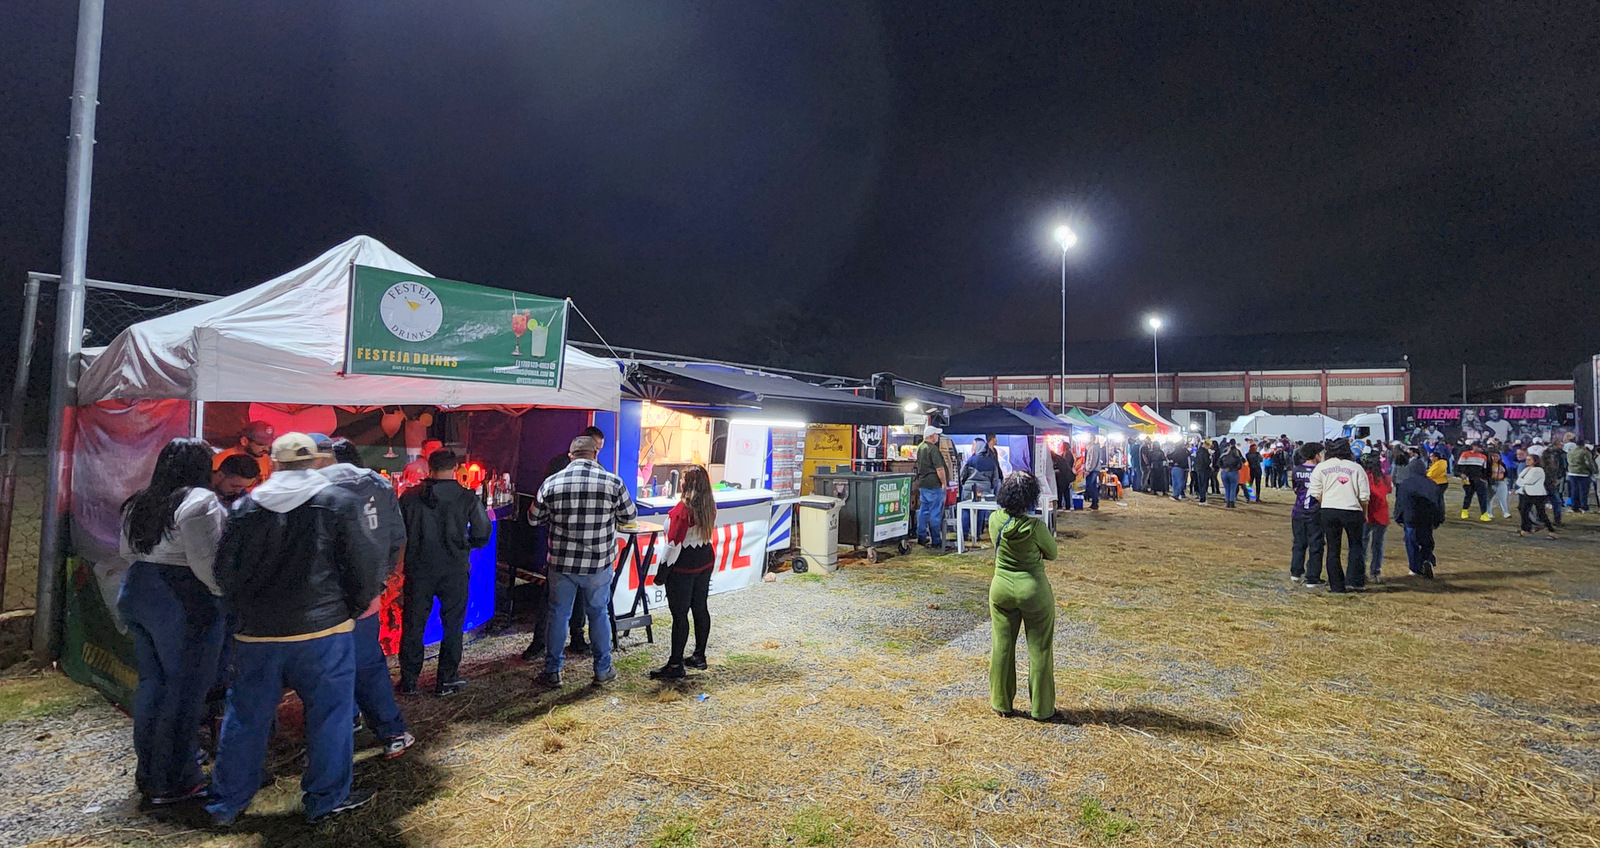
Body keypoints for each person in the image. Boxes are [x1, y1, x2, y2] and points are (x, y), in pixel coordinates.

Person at [207, 433, 385, 826]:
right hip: (323, 631)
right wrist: (352, 609)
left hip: (256, 634)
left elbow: (224, 573)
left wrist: (242, 614)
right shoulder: (337, 502)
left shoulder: (246, 507)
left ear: (273, 463)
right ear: (316, 461)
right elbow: (365, 565)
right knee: (330, 716)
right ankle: (325, 798)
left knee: (246, 716)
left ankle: (226, 802)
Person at [117, 438, 228, 807]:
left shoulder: (141, 501)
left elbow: (126, 551)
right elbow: (205, 562)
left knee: (153, 686)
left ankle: (149, 774)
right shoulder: (200, 501)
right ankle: (176, 780)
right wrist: (223, 595)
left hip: (138, 590)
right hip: (182, 598)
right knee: (186, 692)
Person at [316, 438, 413, 757]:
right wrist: (387, 576)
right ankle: (391, 732)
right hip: (369, 589)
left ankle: (349, 721)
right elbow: (397, 536)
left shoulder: (315, 485)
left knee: (331, 664)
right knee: (368, 662)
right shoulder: (380, 485)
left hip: (326, 594)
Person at [529, 435, 637, 687]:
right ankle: (602, 670)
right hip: (598, 564)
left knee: (558, 615)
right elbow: (630, 516)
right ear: (595, 454)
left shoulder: (552, 482)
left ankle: (552, 671)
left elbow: (534, 519)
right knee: (598, 614)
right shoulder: (613, 482)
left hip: (562, 563)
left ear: (570, 457)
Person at [397, 449, 491, 696]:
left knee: (413, 625)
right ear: (456, 468)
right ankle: (447, 679)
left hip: (418, 569)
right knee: (453, 625)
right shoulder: (467, 497)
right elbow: (482, 533)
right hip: (454, 569)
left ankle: (409, 680)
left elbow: (397, 532)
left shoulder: (409, 496)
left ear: (429, 467)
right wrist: (464, 545)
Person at [530, 425, 610, 659]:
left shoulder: (596, 472)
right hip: (576, 552)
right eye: (596, 448)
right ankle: (540, 643)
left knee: (563, 608)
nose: (597, 453)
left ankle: (571, 643)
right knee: (560, 606)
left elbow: (535, 515)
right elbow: (626, 515)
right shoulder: (560, 467)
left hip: (565, 552)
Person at [986, 471, 1058, 721]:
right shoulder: (1036, 527)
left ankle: (1001, 702)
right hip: (1034, 591)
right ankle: (1042, 709)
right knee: (1040, 649)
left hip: (1001, 588)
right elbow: (1053, 553)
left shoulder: (994, 520)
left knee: (1002, 646)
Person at [649, 466, 718, 682]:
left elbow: (673, 546)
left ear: (687, 484)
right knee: (700, 607)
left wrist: (661, 573)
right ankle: (699, 655)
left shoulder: (682, 511)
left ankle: (675, 664)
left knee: (680, 615)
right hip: (704, 559)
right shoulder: (708, 505)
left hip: (683, 566)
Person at [1307, 439, 1370, 593]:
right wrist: (1364, 512)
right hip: (1352, 509)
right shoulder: (1356, 468)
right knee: (1356, 546)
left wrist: (1326, 501)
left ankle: (1336, 586)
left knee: (1333, 548)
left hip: (1329, 510)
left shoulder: (1322, 467)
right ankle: (1355, 581)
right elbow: (1364, 496)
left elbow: (1315, 492)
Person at [1394, 455, 1443, 578]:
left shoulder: (1405, 484)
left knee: (1411, 542)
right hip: (1428, 518)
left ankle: (1415, 567)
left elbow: (1400, 502)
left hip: (1410, 518)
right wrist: (1439, 518)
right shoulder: (1433, 484)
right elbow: (1439, 503)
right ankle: (1427, 559)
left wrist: (1398, 517)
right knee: (1427, 540)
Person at [1288, 442, 1324, 584]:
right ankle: (1312, 577)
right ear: (1316, 455)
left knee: (1299, 542)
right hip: (1315, 511)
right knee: (1316, 545)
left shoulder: (1297, 469)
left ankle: (1295, 572)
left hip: (1298, 510)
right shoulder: (1321, 471)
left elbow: (1296, 489)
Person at [963, 437, 1004, 541]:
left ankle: (964, 533)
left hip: (968, 488)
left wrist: (964, 483)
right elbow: (995, 479)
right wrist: (990, 487)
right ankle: (977, 534)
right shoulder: (991, 462)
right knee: (980, 511)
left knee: (965, 510)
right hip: (984, 490)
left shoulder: (971, 460)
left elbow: (963, 474)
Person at [914, 426, 948, 549]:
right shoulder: (933, 449)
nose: (938, 437)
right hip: (934, 484)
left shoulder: (920, 447)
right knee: (935, 512)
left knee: (924, 511)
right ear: (932, 436)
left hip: (923, 483)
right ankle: (936, 540)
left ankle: (921, 537)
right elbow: (939, 468)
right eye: (937, 434)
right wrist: (944, 483)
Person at [1363, 453, 1392, 583]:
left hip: (1367, 513)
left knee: (1362, 543)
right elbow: (1388, 490)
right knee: (1378, 544)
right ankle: (1375, 572)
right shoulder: (1385, 478)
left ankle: (1361, 570)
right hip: (1382, 514)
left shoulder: (1364, 477)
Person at [1515, 456, 1557, 539]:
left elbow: (1529, 481)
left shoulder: (1538, 470)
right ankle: (1524, 529)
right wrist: (1521, 481)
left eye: (1529, 460)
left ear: (1535, 461)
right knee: (1523, 511)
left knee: (1541, 513)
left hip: (1537, 494)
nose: (1527, 461)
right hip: (1525, 493)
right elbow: (1518, 480)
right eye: (1527, 459)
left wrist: (1521, 481)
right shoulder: (1526, 469)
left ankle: (1551, 530)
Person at [1456, 442, 1491, 521]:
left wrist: (1485, 478)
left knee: (1482, 497)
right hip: (1468, 479)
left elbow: (1485, 469)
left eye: (1478, 447)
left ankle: (1484, 514)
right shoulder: (1465, 454)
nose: (1477, 448)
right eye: (1476, 446)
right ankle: (1464, 510)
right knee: (1468, 496)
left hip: (1479, 479)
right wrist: (1461, 474)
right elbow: (1458, 467)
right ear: (1473, 446)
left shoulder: (1483, 457)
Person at [1541, 443, 1567, 527]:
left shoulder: (1552, 466)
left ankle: (1554, 520)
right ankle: (1554, 520)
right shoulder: (1545, 468)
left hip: (1550, 486)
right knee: (1555, 502)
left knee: (1553, 503)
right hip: (1548, 486)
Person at [1566, 439, 1595, 513]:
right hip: (1583, 473)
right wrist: (1594, 470)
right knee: (1583, 491)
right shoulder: (1585, 452)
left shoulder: (1570, 452)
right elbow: (1589, 462)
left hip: (1572, 473)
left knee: (1574, 491)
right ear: (1583, 444)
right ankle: (1584, 507)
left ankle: (1574, 506)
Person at [1048, 441, 1075, 514]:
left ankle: (1062, 506)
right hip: (1066, 476)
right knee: (1065, 491)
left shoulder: (1066, 454)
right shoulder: (1064, 454)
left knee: (1062, 491)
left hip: (1064, 476)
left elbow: (1064, 466)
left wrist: (1058, 470)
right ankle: (1067, 506)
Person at [1488, 452, 1514, 520]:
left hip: (1501, 481)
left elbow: (1506, 473)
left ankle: (1506, 512)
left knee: (1503, 498)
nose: (1495, 458)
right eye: (1494, 456)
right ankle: (1489, 512)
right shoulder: (1488, 464)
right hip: (1492, 483)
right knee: (1490, 498)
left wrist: (1505, 478)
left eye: (1497, 456)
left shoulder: (1502, 464)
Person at [1218, 441, 1244, 508]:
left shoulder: (1223, 456)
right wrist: (1234, 468)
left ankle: (1227, 502)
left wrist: (1224, 468)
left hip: (1224, 472)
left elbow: (1219, 463)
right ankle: (1232, 502)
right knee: (1233, 488)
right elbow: (1240, 465)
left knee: (1227, 488)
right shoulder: (1236, 457)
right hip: (1234, 472)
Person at [1192, 440, 1212, 505]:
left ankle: (1202, 498)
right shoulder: (1205, 452)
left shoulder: (1198, 451)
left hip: (1199, 470)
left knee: (1200, 484)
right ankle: (1203, 499)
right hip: (1204, 470)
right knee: (1204, 485)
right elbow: (1207, 462)